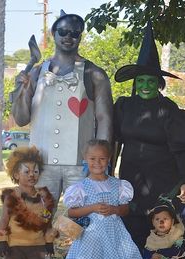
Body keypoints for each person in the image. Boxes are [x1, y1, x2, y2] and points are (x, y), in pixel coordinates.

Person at [113, 21, 185, 259]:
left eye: (152, 80)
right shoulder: (123, 107)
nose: (146, 85)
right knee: (135, 236)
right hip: (131, 184)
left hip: (166, 185)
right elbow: (114, 143)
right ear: (135, 83)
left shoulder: (171, 112)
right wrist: (108, 176)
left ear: (159, 83)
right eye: (142, 81)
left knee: (176, 238)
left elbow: (182, 153)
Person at [11, 9, 113, 206]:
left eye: (75, 33)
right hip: (40, 165)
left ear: (80, 36)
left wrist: (101, 161)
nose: (69, 37)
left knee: (86, 223)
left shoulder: (95, 73)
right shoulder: (37, 71)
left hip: (81, 165)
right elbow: (21, 118)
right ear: (53, 33)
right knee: (37, 223)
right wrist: (22, 90)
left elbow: (105, 119)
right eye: (64, 32)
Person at [60, 139, 147, 259]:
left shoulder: (119, 185)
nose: (97, 163)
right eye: (93, 158)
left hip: (114, 234)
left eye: (102, 159)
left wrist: (114, 210)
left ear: (109, 160)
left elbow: (125, 210)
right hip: (91, 237)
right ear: (85, 159)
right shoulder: (81, 187)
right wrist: (91, 207)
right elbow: (71, 212)